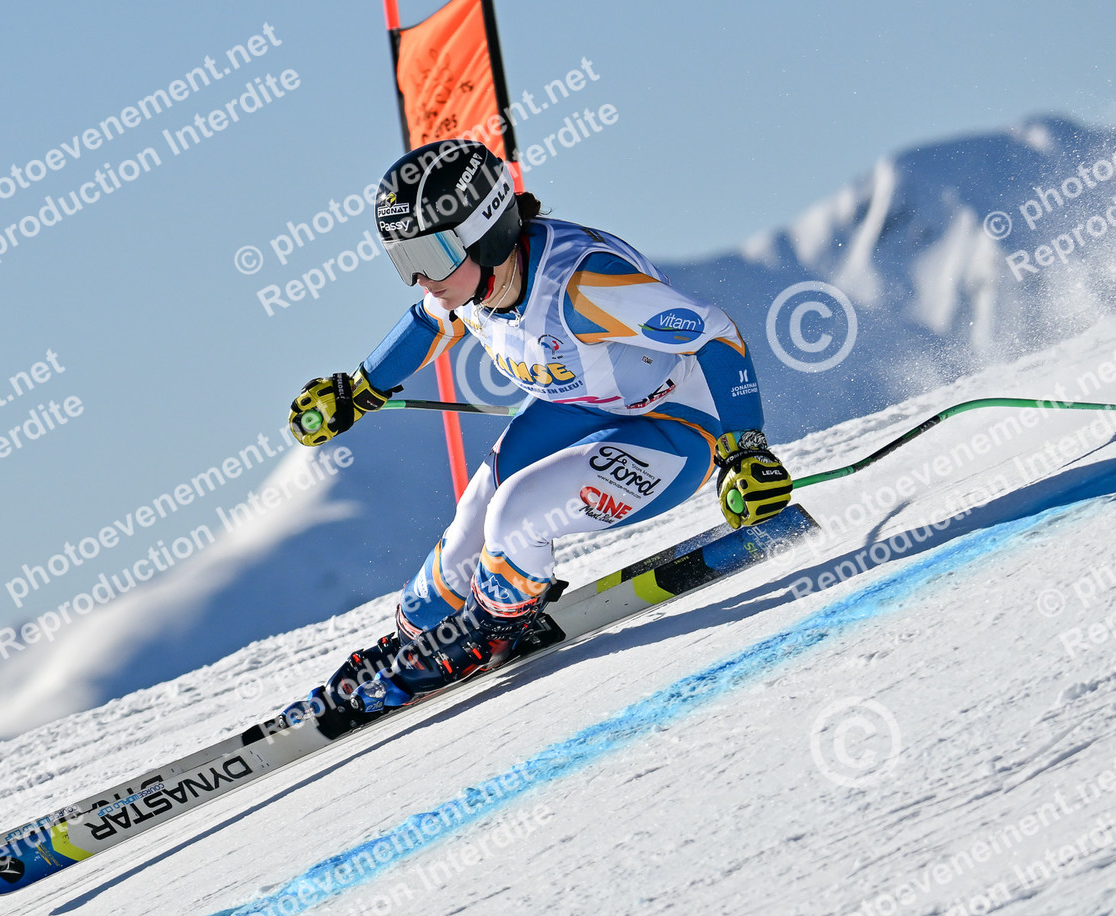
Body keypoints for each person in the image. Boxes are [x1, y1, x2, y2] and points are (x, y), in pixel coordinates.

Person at [284, 139, 792, 729]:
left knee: (516, 516)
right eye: (405, 261)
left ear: (485, 234)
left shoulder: (583, 289)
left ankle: (492, 630)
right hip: (577, 410)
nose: (421, 278)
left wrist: (745, 448)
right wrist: (358, 390)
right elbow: (426, 324)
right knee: (465, 535)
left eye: (429, 255)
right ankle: (414, 641)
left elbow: (716, 333)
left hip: (674, 424)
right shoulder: (466, 283)